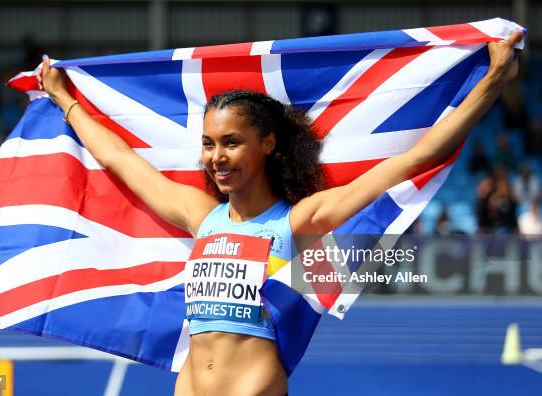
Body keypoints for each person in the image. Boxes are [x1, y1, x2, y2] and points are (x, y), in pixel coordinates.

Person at [39, 30, 523, 396]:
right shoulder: (200, 215)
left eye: (231, 142)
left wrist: (492, 81)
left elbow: (411, 159)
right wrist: (63, 98)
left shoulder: (298, 221)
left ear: (267, 144)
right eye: (208, 144)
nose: (216, 156)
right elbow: (119, 160)